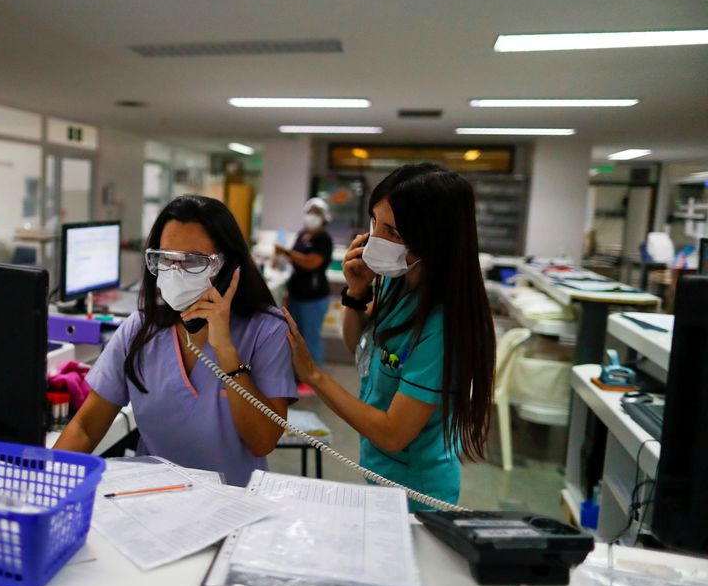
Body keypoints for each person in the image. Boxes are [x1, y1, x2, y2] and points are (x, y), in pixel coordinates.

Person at [282, 163, 495, 509]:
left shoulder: (440, 326)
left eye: (393, 232)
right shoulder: (401, 282)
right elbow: (361, 348)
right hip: (381, 474)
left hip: (418, 494)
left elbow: (393, 433)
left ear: (432, 240)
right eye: (373, 224)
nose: (376, 240)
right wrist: (356, 292)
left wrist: (313, 374)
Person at [54, 195, 297, 486]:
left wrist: (225, 350)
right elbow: (85, 427)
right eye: (166, 258)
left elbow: (262, 441)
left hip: (235, 506)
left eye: (193, 261)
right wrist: (43, 487)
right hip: (153, 500)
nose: (176, 271)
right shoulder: (141, 330)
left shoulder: (266, 330)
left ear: (228, 267)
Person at [275, 198, 334, 368]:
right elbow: (295, 259)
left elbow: (311, 262)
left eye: (316, 213)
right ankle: (298, 374)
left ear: (323, 217)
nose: (311, 216)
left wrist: (286, 252)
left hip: (313, 298)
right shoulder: (302, 235)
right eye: (309, 212)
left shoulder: (323, 239)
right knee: (295, 337)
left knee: (310, 339)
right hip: (296, 296)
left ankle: (313, 378)